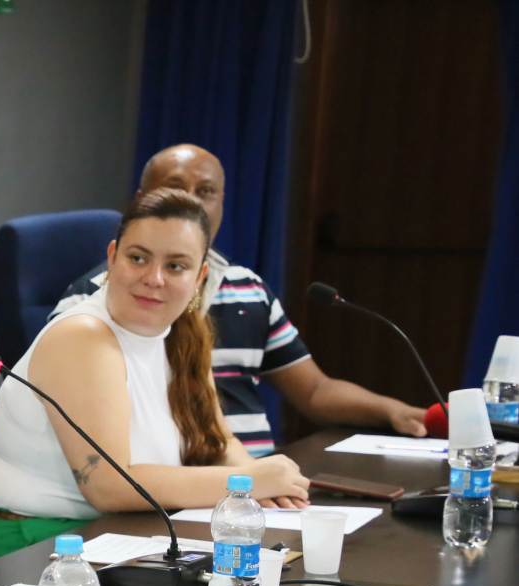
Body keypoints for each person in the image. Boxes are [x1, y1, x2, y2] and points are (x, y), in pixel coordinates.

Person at [0, 190, 311, 561]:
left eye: (176, 266)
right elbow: (109, 485)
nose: (154, 278)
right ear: (112, 258)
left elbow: (218, 441)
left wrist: (266, 486)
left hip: (111, 535)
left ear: (200, 277)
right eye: (138, 258)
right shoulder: (82, 336)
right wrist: (248, 482)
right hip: (16, 546)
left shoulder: (184, 333)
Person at [56, 143, 427, 454]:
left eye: (206, 192)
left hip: (252, 477)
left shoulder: (248, 289)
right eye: (175, 188)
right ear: (142, 201)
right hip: (168, 482)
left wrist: (391, 410)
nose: (191, 202)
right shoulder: (95, 301)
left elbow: (314, 390)